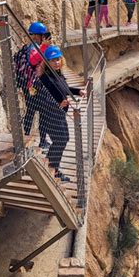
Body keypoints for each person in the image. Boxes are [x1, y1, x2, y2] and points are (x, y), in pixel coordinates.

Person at [31, 44, 84, 181]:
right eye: (53, 60)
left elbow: (64, 88)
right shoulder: (45, 79)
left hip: (59, 114)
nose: (56, 62)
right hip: (51, 115)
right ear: (47, 62)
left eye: (58, 59)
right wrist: (58, 104)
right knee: (60, 140)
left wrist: (77, 91)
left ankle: (51, 166)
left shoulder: (57, 74)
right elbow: (40, 100)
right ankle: (52, 168)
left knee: (62, 139)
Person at [15, 22, 52, 142]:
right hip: (34, 86)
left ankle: (25, 136)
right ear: (37, 36)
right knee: (43, 113)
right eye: (43, 35)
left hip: (29, 85)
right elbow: (33, 60)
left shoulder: (29, 46)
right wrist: (45, 46)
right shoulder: (34, 47)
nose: (44, 38)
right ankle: (42, 141)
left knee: (30, 111)